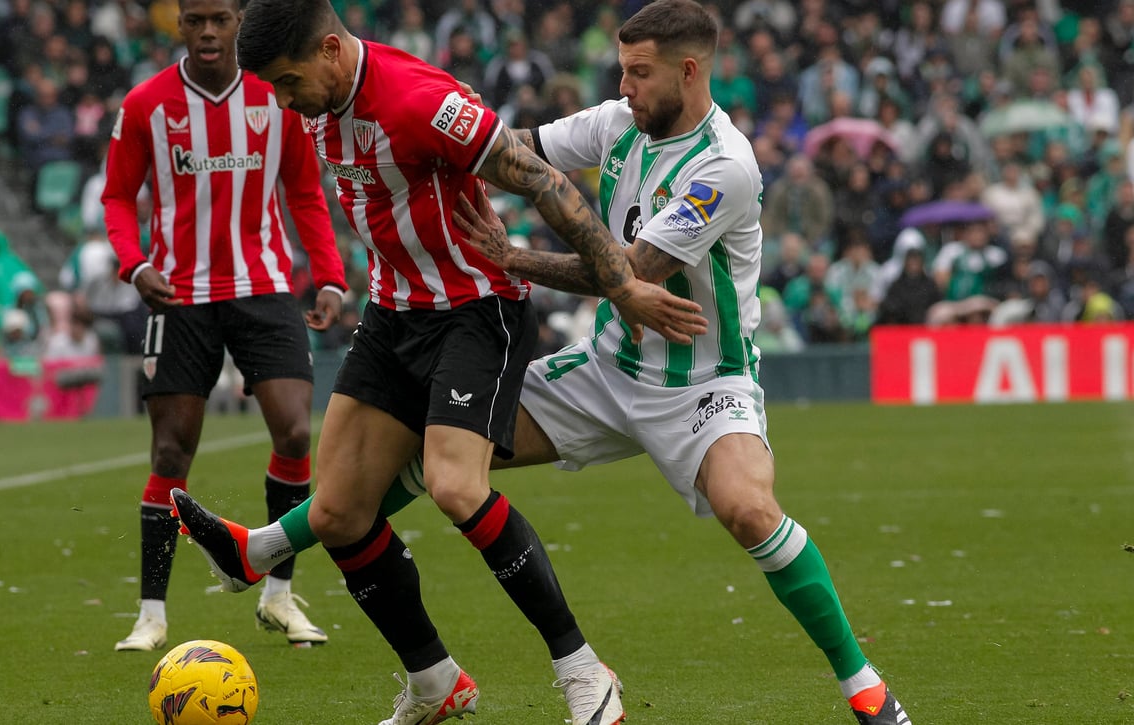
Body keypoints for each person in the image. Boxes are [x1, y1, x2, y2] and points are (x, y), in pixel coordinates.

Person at [173, 2, 913, 723]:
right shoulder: (616, 124)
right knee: (427, 460)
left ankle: (867, 689)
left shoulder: (727, 166)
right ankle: (269, 551)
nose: (624, 86)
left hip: (701, 385)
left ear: (690, 72)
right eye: (622, 70)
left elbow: (632, 271)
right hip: (604, 370)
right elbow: (512, 149)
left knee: (749, 509)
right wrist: (460, 129)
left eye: (640, 74)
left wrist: (514, 256)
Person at [101, 0, 347, 653]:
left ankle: (278, 596)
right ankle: (151, 614)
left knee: (296, 431)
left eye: (220, 19)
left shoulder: (276, 94)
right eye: (195, 20)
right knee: (170, 452)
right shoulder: (147, 105)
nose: (208, 32)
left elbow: (304, 190)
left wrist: (328, 274)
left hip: (263, 287)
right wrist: (134, 264)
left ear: (239, 19)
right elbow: (118, 196)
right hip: (179, 292)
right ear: (179, 23)